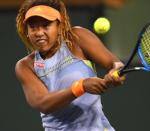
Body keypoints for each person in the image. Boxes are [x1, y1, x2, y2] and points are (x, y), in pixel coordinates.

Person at [15, 0, 125, 131]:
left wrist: (116, 73)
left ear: (59, 26)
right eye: (33, 27)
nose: (39, 33)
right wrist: (81, 86)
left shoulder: (77, 38)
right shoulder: (25, 66)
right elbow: (42, 102)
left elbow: (115, 64)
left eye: (46, 25)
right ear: (27, 31)